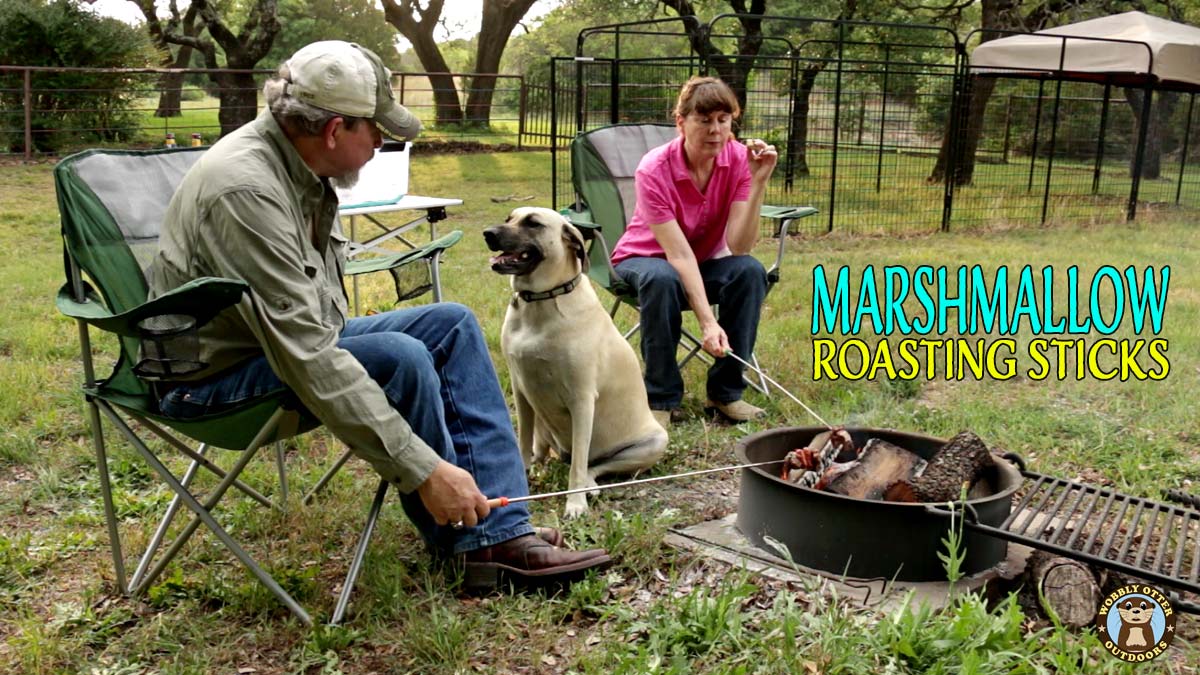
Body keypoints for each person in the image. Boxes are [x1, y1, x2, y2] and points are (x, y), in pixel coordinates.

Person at [146, 40, 611, 590]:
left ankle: (500, 528)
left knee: (453, 322)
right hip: (210, 379)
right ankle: (478, 545)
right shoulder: (247, 189)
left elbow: (310, 325)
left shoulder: (298, 165)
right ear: (334, 129)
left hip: (269, 342)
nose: (384, 143)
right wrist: (426, 470)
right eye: (378, 131)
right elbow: (307, 354)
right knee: (400, 355)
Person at [611, 76, 778, 427]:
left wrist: (758, 181)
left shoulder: (738, 160)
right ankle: (661, 397)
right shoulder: (653, 168)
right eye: (704, 120)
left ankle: (726, 393)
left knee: (749, 270)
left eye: (723, 119)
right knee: (661, 278)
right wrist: (708, 321)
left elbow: (739, 245)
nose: (715, 130)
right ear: (681, 122)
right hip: (644, 260)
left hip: (700, 263)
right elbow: (678, 255)